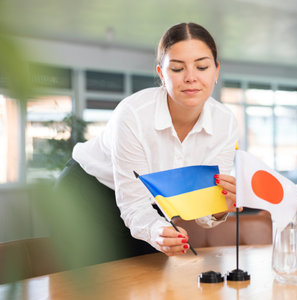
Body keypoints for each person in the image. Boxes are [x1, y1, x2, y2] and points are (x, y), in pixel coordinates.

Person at [51, 22, 238, 268]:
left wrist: (219, 209)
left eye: (202, 66)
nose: (191, 77)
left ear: (216, 71)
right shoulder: (134, 114)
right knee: (98, 283)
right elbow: (133, 203)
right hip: (87, 193)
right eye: (178, 68)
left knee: (147, 281)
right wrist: (155, 231)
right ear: (161, 74)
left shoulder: (225, 124)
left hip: (150, 201)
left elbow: (203, 203)